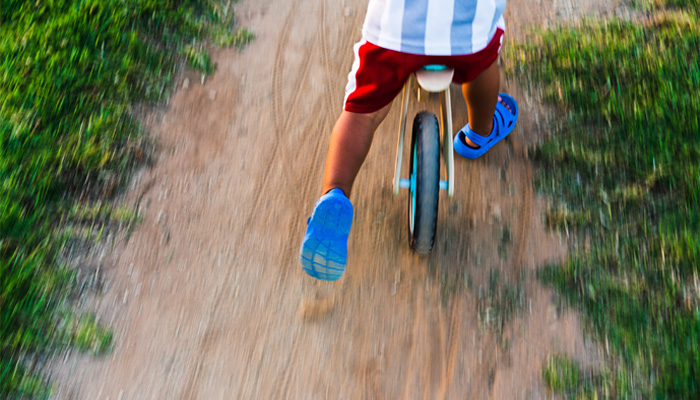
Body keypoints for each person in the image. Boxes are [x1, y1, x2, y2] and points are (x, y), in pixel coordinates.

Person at [299, 0, 519, 281]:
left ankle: (334, 194)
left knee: (362, 114)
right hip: (467, 37)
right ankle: (480, 132)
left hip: (397, 35)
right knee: (485, 63)